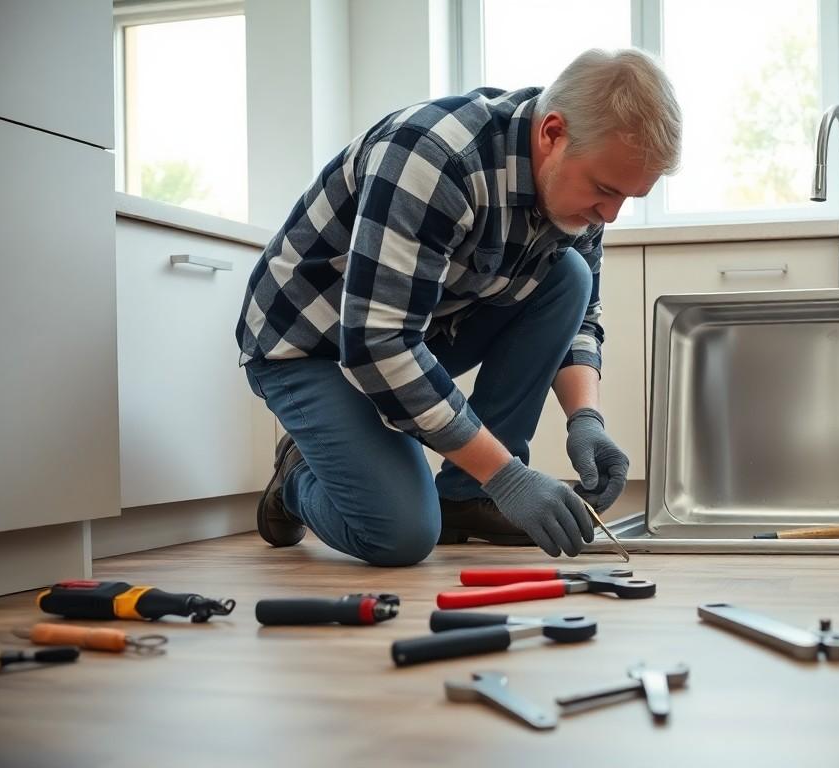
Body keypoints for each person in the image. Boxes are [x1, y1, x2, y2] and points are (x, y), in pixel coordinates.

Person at [235, 48, 681, 566]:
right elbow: (378, 345)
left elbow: (580, 318)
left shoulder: (579, 200)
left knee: (568, 276)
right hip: (313, 347)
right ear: (552, 133)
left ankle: (469, 494)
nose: (611, 213)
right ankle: (297, 475)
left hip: (413, 334)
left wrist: (586, 419)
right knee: (400, 536)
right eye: (606, 190)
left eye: (629, 197)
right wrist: (509, 474)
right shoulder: (433, 157)